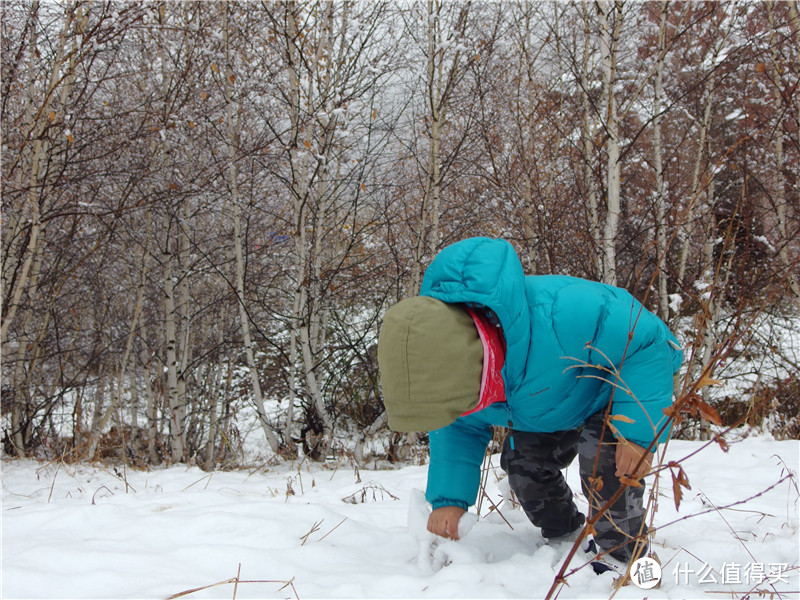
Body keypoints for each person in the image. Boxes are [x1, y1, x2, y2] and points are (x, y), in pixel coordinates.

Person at [377, 237, 682, 569]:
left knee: (605, 465)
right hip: (549, 403)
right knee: (523, 467)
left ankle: (622, 561)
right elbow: (456, 431)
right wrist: (449, 500)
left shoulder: (560, 315)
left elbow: (649, 340)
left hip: (615, 390)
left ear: (480, 367)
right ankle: (565, 535)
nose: (461, 410)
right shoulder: (455, 381)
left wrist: (637, 435)